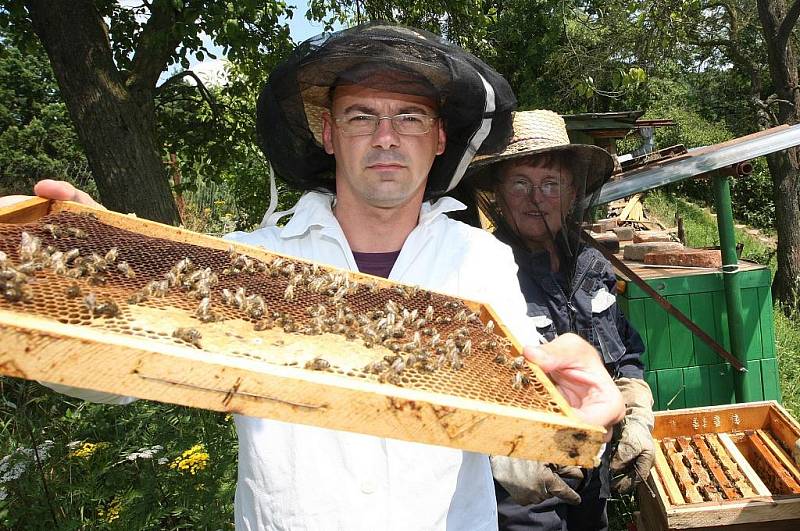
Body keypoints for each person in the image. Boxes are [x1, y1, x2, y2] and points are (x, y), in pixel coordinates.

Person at [2, 24, 625, 530]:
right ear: (328, 133)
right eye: (361, 117)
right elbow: (115, 382)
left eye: (409, 117)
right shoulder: (244, 263)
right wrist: (75, 297)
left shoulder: (481, 259)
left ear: (438, 139)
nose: (386, 137)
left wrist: (572, 403)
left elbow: (521, 403)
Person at [463, 110, 654, 531]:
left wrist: (638, 412)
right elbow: (464, 383)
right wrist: (508, 454)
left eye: (552, 184)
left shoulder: (593, 265)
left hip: (593, 470)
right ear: (498, 193)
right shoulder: (479, 270)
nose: (537, 198)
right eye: (521, 184)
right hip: (522, 494)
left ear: (572, 194)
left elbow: (624, 351)